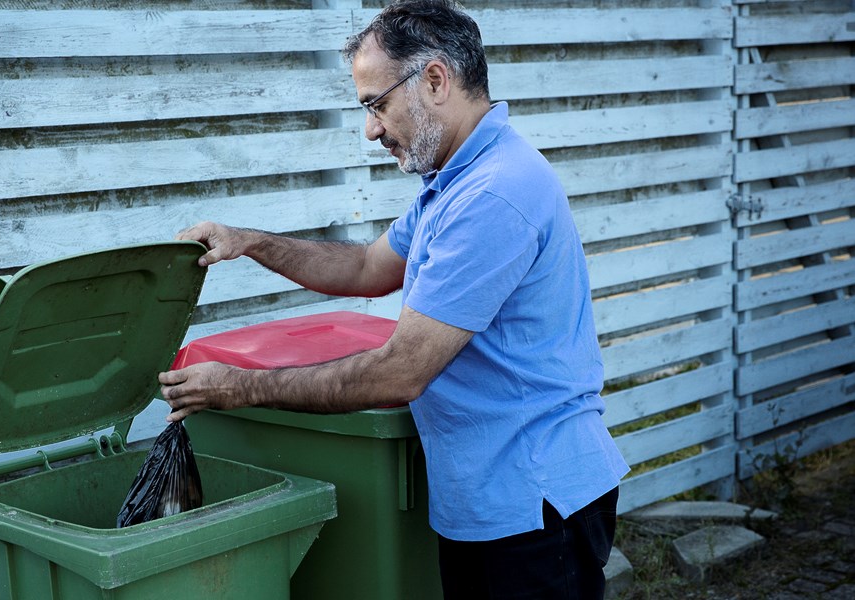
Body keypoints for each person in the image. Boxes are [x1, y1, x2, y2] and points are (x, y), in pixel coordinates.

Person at [158, 0, 630, 597]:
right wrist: (250, 242)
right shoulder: (453, 180)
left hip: (532, 501)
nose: (371, 129)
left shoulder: (494, 195)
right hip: (492, 495)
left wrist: (236, 388)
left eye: (376, 104)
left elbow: (399, 373)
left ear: (435, 79)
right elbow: (364, 266)